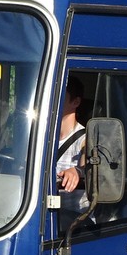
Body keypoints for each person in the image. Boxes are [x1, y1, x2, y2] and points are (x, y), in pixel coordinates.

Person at [56, 77, 89, 222]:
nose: (53, 100)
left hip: (74, 219)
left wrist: (77, 170)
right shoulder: (42, 139)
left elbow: (89, 153)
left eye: (60, 95)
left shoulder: (84, 137)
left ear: (76, 102)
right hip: (47, 213)